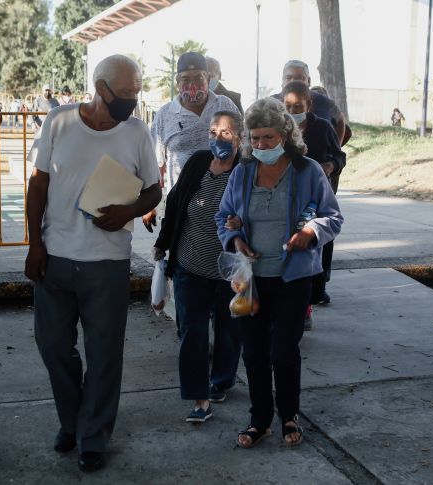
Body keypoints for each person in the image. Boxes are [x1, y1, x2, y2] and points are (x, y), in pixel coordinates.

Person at [24, 54, 161, 473]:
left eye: (137, 92)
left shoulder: (137, 133)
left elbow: (154, 192)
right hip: (56, 257)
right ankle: (73, 420)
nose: (133, 101)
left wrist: (128, 213)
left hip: (108, 263)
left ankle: (93, 436)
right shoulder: (60, 122)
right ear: (100, 89)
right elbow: (38, 183)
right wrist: (34, 244)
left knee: (104, 355)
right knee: (53, 348)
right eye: (125, 93)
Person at [215, 97, 342, 449]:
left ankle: (289, 414)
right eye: (254, 139)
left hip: (293, 279)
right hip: (249, 280)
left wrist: (309, 233)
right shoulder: (241, 173)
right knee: (253, 352)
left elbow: (333, 218)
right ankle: (260, 420)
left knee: (283, 351)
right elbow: (222, 218)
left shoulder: (308, 171)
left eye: (268, 138)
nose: (261, 146)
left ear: (286, 134)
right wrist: (235, 237)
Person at [152, 110, 244, 421]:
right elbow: (176, 204)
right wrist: (162, 243)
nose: (218, 138)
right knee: (192, 331)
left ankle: (221, 379)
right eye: (214, 132)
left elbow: (258, 213)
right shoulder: (196, 164)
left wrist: (242, 223)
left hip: (228, 270)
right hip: (189, 266)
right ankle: (198, 396)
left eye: (227, 133)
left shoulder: (247, 171)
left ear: (240, 139)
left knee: (228, 329)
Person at [146, 52, 239, 232]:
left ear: (209, 78)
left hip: (225, 204)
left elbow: (243, 149)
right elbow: (156, 165)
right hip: (182, 204)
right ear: (177, 81)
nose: (192, 85)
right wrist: (150, 205)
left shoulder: (225, 105)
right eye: (185, 79)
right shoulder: (165, 115)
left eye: (198, 78)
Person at [282, 81, 346, 327]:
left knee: (313, 249)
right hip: (287, 197)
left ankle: (309, 299)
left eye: (297, 105)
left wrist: (331, 165)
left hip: (316, 198)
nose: (292, 110)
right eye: (287, 105)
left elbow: (339, 155)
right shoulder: (279, 127)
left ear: (309, 105)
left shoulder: (322, 127)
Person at [272, 60, 349, 145]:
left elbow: (340, 119)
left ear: (308, 81)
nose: (293, 81)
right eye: (288, 78)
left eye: (299, 78)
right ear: (282, 81)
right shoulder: (270, 103)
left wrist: (336, 145)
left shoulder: (323, 101)